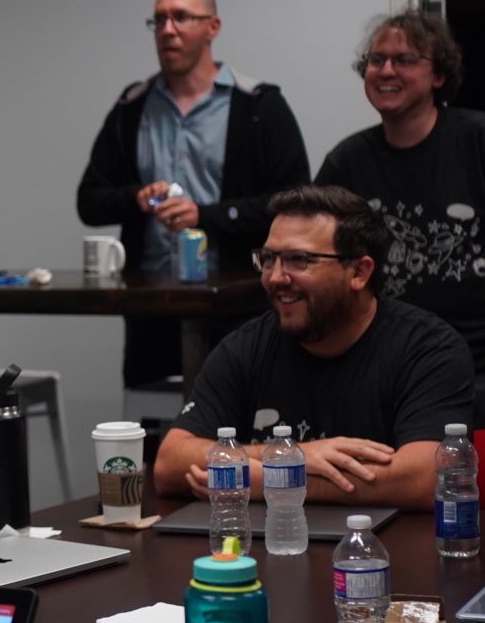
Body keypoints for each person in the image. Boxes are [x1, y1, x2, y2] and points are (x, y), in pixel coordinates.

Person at [154, 186, 474, 510]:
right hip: (266, 549)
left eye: (299, 260)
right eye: (268, 260)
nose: (276, 278)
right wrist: (290, 455)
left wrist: (272, 481)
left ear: (359, 272)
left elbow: (424, 478)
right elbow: (170, 462)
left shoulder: (428, 349)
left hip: (377, 553)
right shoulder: (245, 347)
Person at [77, 0, 310, 388]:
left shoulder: (258, 106)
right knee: (154, 439)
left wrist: (206, 215)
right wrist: (137, 198)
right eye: (159, 19)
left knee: (233, 437)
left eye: (181, 17)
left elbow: (294, 202)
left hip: (238, 304)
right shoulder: (132, 106)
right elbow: (89, 201)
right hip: (152, 308)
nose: (168, 29)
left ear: (212, 27)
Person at [314, 8, 485, 421]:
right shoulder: (346, 161)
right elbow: (310, 251)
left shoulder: (476, 140)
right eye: (376, 60)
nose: (386, 70)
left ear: (438, 76)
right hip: (384, 361)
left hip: (478, 359)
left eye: (404, 60)